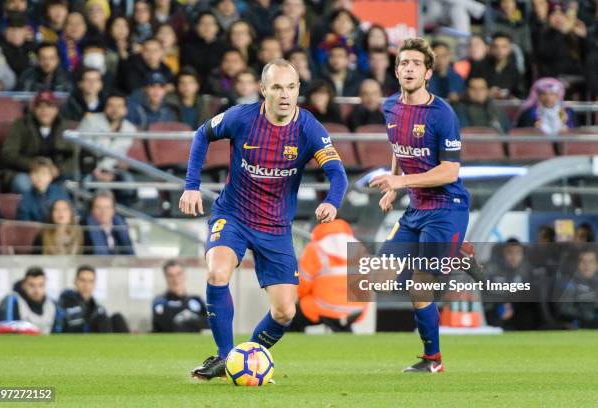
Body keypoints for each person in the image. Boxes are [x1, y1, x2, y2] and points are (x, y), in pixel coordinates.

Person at [179, 59, 348, 380]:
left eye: (291, 87)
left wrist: (332, 200)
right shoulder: (241, 118)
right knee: (217, 272)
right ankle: (225, 354)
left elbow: (337, 173)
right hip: (234, 215)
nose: (285, 95)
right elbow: (201, 135)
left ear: (298, 90)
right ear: (263, 90)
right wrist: (191, 187)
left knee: (285, 312)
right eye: (277, 87)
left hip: (275, 228)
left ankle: (243, 358)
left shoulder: (309, 128)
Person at [369, 38, 470, 373]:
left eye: (415, 63)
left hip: (446, 207)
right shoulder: (389, 107)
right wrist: (394, 187)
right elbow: (400, 147)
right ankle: (449, 258)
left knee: (420, 285)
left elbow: (450, 170)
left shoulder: (442, 114)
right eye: (403, 63)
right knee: (381, 275)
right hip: (416, 209)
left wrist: (401, 182)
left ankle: (433, 360)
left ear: (428, 73)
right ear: (396, 71)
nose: (408, 68)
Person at [288, 219, 367, 332]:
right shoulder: (358, 246)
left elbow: (303, 285)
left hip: (324, 306)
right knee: (343, 324)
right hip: (356, 309)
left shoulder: (315, 248)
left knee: (292, 316)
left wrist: (301, 298)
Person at [1, 90, 74, 194]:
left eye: (49, 106)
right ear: (34, 109)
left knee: (70, 185)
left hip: (55, 174)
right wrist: (31, 164)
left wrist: (59, 169)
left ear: (56, 110)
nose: (44, 110)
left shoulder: (65, 127)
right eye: (40, 106)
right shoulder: (21, 125)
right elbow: (8, 153)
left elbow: (75, 156)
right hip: (25, 172)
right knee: (22, 184)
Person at [77, 91, 137, 205]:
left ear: (125, 110)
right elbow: (82, 150)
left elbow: (126, 157)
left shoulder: (130, 129)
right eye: (111, 105)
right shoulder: (91, 121)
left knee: (129, 183)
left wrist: (118, 170)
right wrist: (96, 172)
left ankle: (125, 218)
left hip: (114, 171)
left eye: (119, 106)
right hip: (90, 169)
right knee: (86, 184)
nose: (115, 109)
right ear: (105, 107)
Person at [59, 265, 129, 333]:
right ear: (75, 281)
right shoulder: (66, 302)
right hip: (80, 337)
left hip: (97, 334)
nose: (86, 285)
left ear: (94, 284)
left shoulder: (97, 308)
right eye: (82, 280)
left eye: (90, 281)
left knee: (117, 318)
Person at [0, 267, 63, 334]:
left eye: (41, 285)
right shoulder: (12, 301)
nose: (36, 290)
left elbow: (58, 332)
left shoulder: (52, 305)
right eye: (31, 285)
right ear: (23, 285)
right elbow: (6, 328)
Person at [152, 260, 208, 332]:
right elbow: (166, 326)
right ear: (165, 277)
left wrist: (192, 318)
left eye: (179, 274)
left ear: (184, 275)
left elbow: (210, 324)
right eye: (171, 275)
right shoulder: (160, 302)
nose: (175, 279)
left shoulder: (196, 300)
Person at [16, 157, 70, 222]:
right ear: (30, 176)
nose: (39, 177)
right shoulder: (26, 198)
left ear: (51, 176)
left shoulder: (60, 192)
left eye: (44, 173)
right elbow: (25, 224)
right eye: (36, 173)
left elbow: (68, 218)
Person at [82, 189, 134, 255]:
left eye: (107, 207)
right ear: (92, 210)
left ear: (113, 210)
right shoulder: (84, 228)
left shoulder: (122, 226)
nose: (103, 212)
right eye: (98, 207)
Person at [556, 249, 598, 328]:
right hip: (579, 326)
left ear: (596, 265)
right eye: (582, 261)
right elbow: (563, 309)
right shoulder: (569, 284)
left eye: (591, 262)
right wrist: (582, 313)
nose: (587, 265)